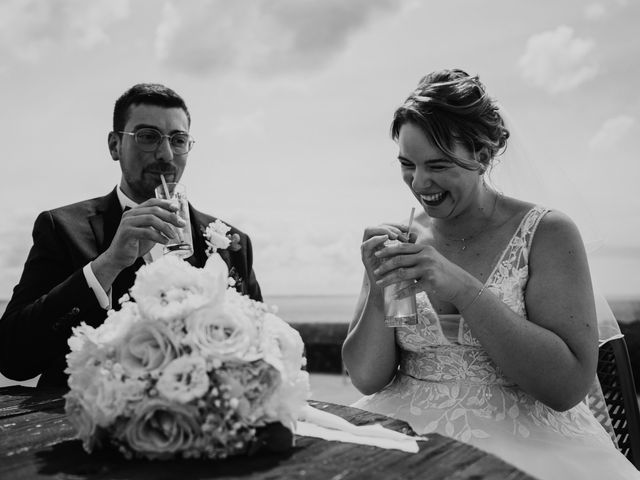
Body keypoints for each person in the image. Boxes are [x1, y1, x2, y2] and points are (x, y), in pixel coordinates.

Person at [342, 69, 640, 479]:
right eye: (407, 164)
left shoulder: (547, 233)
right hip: (404, 430)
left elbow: (567, 387)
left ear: (482, 157)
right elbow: (367, 378)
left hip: (527, 439)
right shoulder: (403, 239)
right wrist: (380, 289)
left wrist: (462, 288)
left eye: (438, 165)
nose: (420, 182)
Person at [0, 83, 262, 388]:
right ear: (114, 145)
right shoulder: (62, 228)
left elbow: (260, 349)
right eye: (148, 137)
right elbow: (13, 359)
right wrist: (107, 265)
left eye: (178, 140)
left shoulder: (232, 242)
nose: (165, 154)